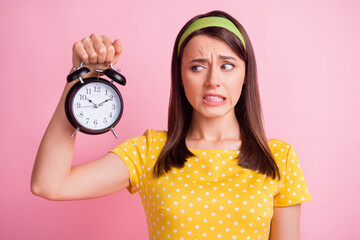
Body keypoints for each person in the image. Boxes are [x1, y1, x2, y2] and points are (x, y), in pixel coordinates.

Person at [32, 10, 311, 240]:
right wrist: (79, 82)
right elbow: (49, 184)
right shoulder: (151, 151)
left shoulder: (279, 159)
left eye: (227, 66)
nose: (213, 79)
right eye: (197, 66)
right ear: (179, 76)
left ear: (246, 74)